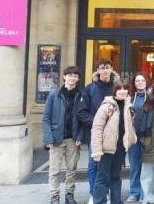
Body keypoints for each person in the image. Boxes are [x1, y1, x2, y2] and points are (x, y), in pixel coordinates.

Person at [77, 58, 119, 202]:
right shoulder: (90, 88)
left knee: (109, 166)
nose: (105, 70)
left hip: (113, 135)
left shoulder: (117, 87)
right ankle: (94, 194)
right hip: (94, 133)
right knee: (94, 163)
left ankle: (105, 193)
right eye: (102, 67)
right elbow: (82, 112)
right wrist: (96, 123)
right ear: (98, 70)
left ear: (112, 69)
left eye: (108, 67)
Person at [91, 79, 138, 204]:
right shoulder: (107, 106)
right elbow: (96, 128)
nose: (122, 91)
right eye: (119, 89)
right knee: (102, 179)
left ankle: (116, 201)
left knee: (116, 177)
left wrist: (132, 139)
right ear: (115, 91)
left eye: (125, 88)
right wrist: (96, 151)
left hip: (120, 148)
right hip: (106, 149)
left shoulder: (129, 106)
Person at [42, 66, 83, 204]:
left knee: (71, 169)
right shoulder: (54, 95)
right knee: (54, 171)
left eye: (75, 76)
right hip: (56, 139)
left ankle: (69, 195)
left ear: (78, 79)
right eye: (70, 75)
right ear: (64, 77)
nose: (72, 78)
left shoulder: (81, 95)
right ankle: (54, 197)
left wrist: (80, 136)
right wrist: (48, 138)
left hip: (73, 139)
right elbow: (46, 118)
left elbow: (83, 118)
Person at [127, 73, 149, 203]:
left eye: (142, 80)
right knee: (135, 165)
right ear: (134, 83)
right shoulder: (129, 98)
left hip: (147, 136)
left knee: (146, 166)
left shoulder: (151, 97)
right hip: (134, 136)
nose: (140, 82)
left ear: (146, 82)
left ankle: (145, 192)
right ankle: (135, 192)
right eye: (137, 80)